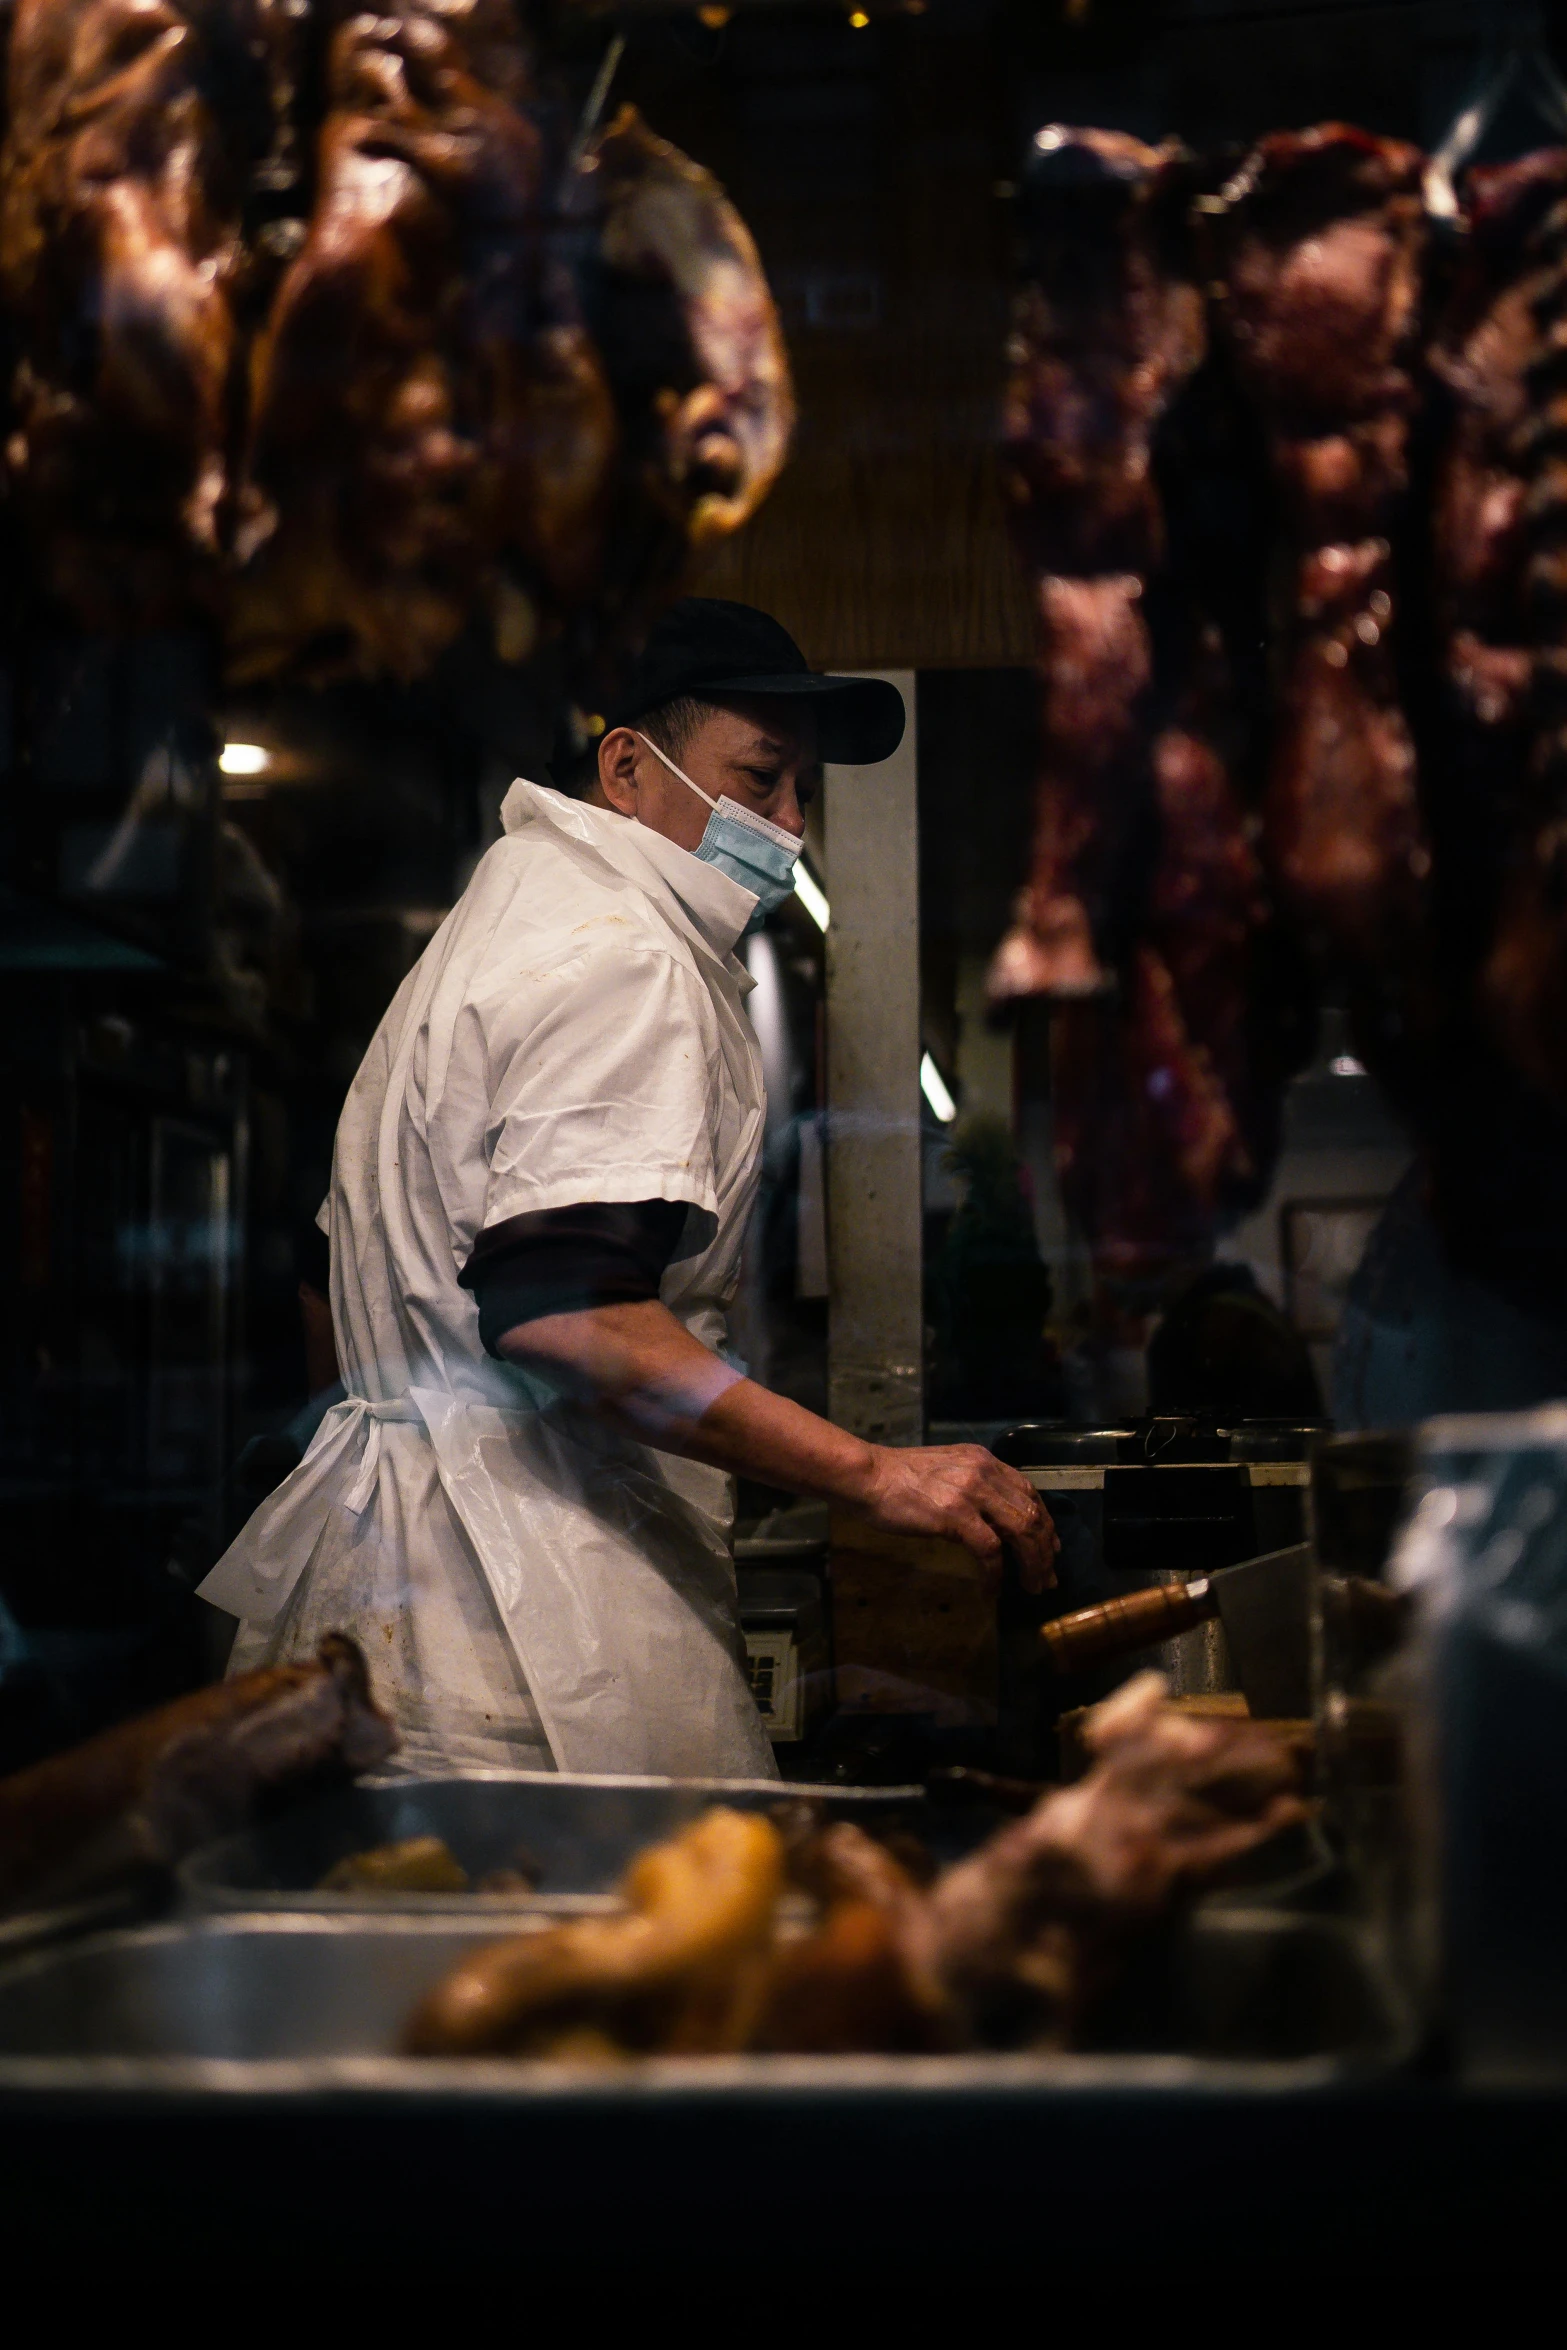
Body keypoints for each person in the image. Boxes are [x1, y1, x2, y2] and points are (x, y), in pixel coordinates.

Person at [198, 599, 1058, 1777]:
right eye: (759, 780)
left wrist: (414, 1454)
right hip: (527, 1635)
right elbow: (564, 1311)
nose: (791, 825)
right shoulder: (625, 954)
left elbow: (324, 1272)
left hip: (385, 1606)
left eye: (802, 791)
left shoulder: (492, 927)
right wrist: (876, 1474)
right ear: (626, 767)